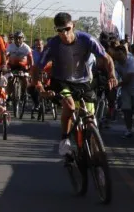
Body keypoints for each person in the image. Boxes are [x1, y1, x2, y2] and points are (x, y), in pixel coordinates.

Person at [33, 13, 117, 156]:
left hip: (83, 81)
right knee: (70, 106)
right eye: (59, 30)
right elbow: (37, 68)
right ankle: (64, 140)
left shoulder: (87, 39)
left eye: (66, 29)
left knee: (90, 115)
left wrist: (112, 76)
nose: (64, 34)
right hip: (61, 81)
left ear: (73, 26)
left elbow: (107, 58)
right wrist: (40, 87)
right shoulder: (53, 44)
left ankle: (93, 143)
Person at [110, 45, 134, 137]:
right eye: (116, 55)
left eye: (120, 54)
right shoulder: (117, 63)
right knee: (126, 109)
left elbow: (128, 79)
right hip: (126, 88)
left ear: (125, 53)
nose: (118, 57)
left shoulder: (132, 61)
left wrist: (115, 85)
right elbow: (114, 75)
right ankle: (129, 130)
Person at [6, 30, 34, 104]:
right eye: (16, 38)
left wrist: (31, 68)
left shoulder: (26, 47)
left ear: (22, 39)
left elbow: (31, 59)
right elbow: (6, 55)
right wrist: (4, 65)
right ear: (14, 39)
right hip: (12, 66)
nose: (18, 40)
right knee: (10, 79)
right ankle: (9, 95)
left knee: (25, 79)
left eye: (19, 38)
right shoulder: (10, 46)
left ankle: (24, 92)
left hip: (23, 66)